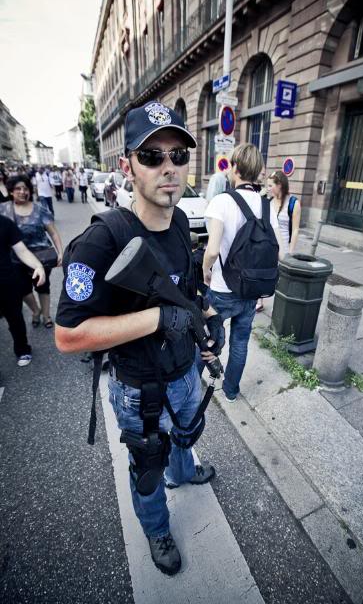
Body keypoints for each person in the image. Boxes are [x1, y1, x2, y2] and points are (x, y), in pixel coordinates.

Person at [55, 101, 224, 576]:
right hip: (139, 389)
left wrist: (207, 318)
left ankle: (185, 472)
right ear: (127, 165)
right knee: (148, 467)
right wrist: (156, 320)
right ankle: (156, 528)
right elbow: (68, 336)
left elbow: (188, 291)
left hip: (186, 370)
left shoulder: (178, 226)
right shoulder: (102, 240)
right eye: (152, 156)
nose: (168, 168)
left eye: (178, 155)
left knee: (187, 437)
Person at [202, 143, 284, 402]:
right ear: (257, 170)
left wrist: (205, 271)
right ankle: (231, 390)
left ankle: (194, 382)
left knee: (207, 337)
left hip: (222, 288)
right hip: (250, 290)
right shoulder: (266, 206)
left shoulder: (221, 202)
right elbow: (279, 249)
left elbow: (212, 250)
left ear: (235, 167)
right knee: (240, 342)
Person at [0, 174, 63, 329]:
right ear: (11, 191)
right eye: (18, 188)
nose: (22, 191)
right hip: (15, 258)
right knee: (22, 289)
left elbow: (53, 233)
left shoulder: (40, 209)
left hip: (42, 257)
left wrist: (60, 252)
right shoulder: (4, 209)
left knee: (43, 287)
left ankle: (46, 315)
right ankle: (36, 311)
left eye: (25, 188)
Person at [0, 214, 45, 366]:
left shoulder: (5, 223)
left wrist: (38, 266)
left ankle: (22, 349)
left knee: (15, 319)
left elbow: (22, 251)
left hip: (6, 282)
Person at [266, 170, 301, 254]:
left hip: (284, 250)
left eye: (270, 186)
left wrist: (290, 252)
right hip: (267, 248)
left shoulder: (294, 203)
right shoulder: (268, 201)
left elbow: (295, 230)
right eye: (268, 186)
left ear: (279, 185)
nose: (268, 189)